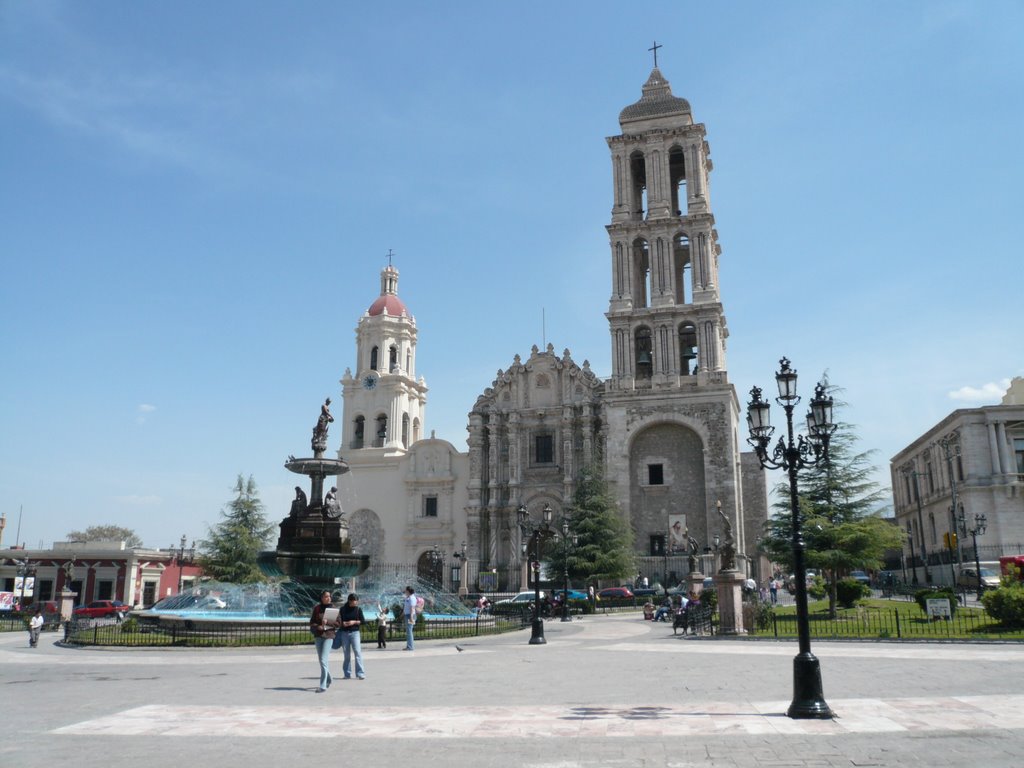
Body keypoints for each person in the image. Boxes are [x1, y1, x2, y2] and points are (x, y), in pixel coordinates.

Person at [309, 591, 340, 692]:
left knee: (323, 659)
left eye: (329, 596)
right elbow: (312, 622)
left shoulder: (334, 609)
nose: (328, 598)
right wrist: (318, 626)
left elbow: (339, 624)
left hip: (329, 636)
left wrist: (328, 622)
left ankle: (323, 685)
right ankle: (329, 678)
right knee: (322, 661)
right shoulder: (317, 608)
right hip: (319, 636)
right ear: (321, 598)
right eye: (326, 596)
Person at [338, 593, 366, 680]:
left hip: (355, 633)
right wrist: (343, 623)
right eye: (355, 600)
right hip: (344, 633)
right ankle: (347, 673)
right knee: (346, 655)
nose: (356, 602)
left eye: (357, 600)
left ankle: (360, 673)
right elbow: (339, 621)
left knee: (357, 652)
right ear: (350, 601)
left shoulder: (358, 609)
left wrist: (354, 622)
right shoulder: (342, 609)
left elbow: (363, 621)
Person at [402, 586, 417, 651]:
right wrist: (402, 614)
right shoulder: (408, 598)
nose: (404, 591)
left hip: (410, 616)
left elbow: (412, 608)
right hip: (407, 615)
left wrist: (411, 617)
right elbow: (406, 607)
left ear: (408, 591)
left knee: (409, 631)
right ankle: (409, 646)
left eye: (405, 590)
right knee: (408, 631)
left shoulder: (412, 598)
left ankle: (410, 647)